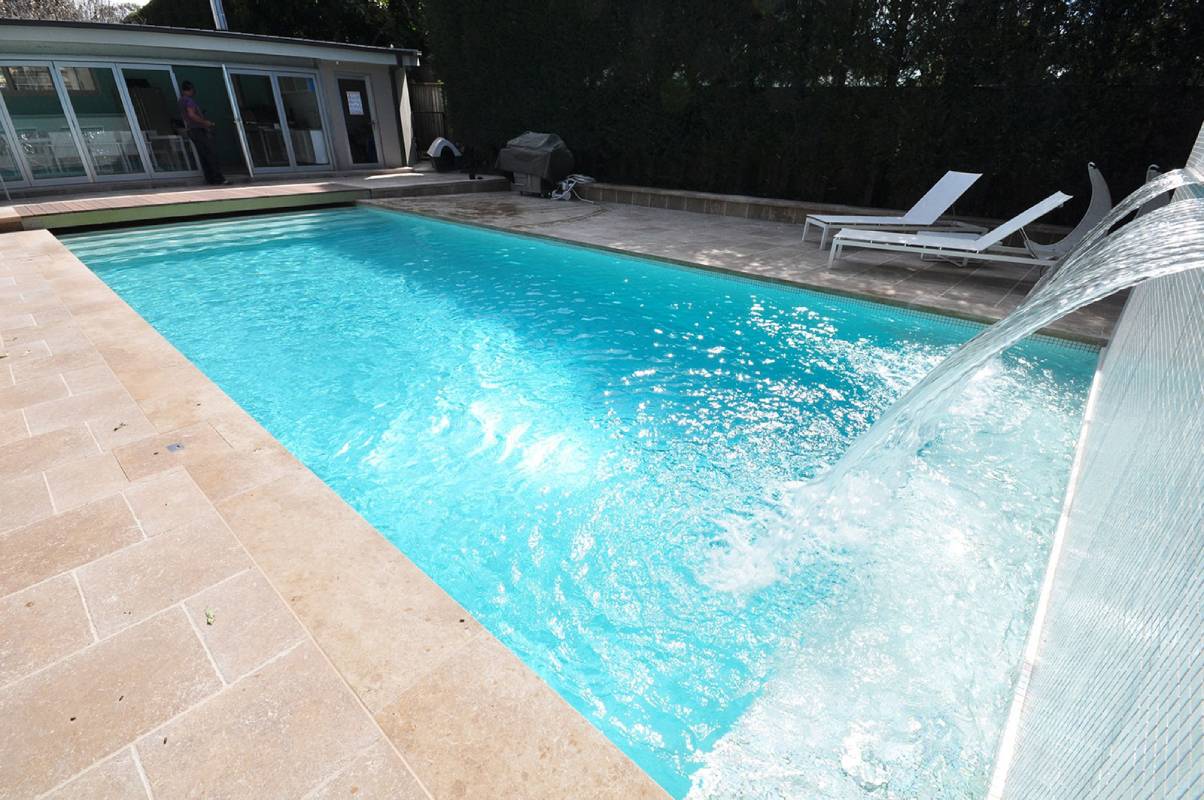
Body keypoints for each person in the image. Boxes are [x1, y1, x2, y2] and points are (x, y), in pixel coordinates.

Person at [178, 81, 228, 185]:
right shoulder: (189, 101)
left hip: (191, 130)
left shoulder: (181, 101)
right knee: (210, 153)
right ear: (191, 89)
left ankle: (210, 178)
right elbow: (191, 114)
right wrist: (205, 122)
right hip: (197, 129)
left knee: (203, 155)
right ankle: (218, 178)